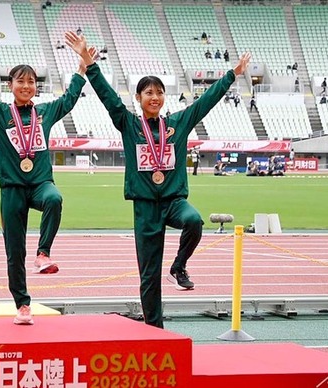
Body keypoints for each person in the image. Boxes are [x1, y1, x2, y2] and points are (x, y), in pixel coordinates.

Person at [66, 30, 251, 328]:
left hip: (174, 201)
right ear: (138, 98)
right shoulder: (128, 124)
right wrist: (88, 62)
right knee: (149, 275)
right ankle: (155, 328)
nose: (155, 97)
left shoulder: (177, 123)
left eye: (159, 92)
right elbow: (108, 97)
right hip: (145, 208)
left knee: (194, 221)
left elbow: (206, 102)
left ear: (164, 97)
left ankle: (178, 267)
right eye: (148, 93)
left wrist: (233, 74)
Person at [0, 31, 87, 326]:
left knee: (55, 199)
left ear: (36, 86)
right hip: (11, 190)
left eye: (31, 81)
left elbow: (70, 98)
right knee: (14, 251)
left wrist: (82, 67)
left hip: (40, 184)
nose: (26, 85)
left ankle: (44, 253)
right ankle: (22, 304)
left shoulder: (45, 112)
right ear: (11, 85)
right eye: (20, 81)